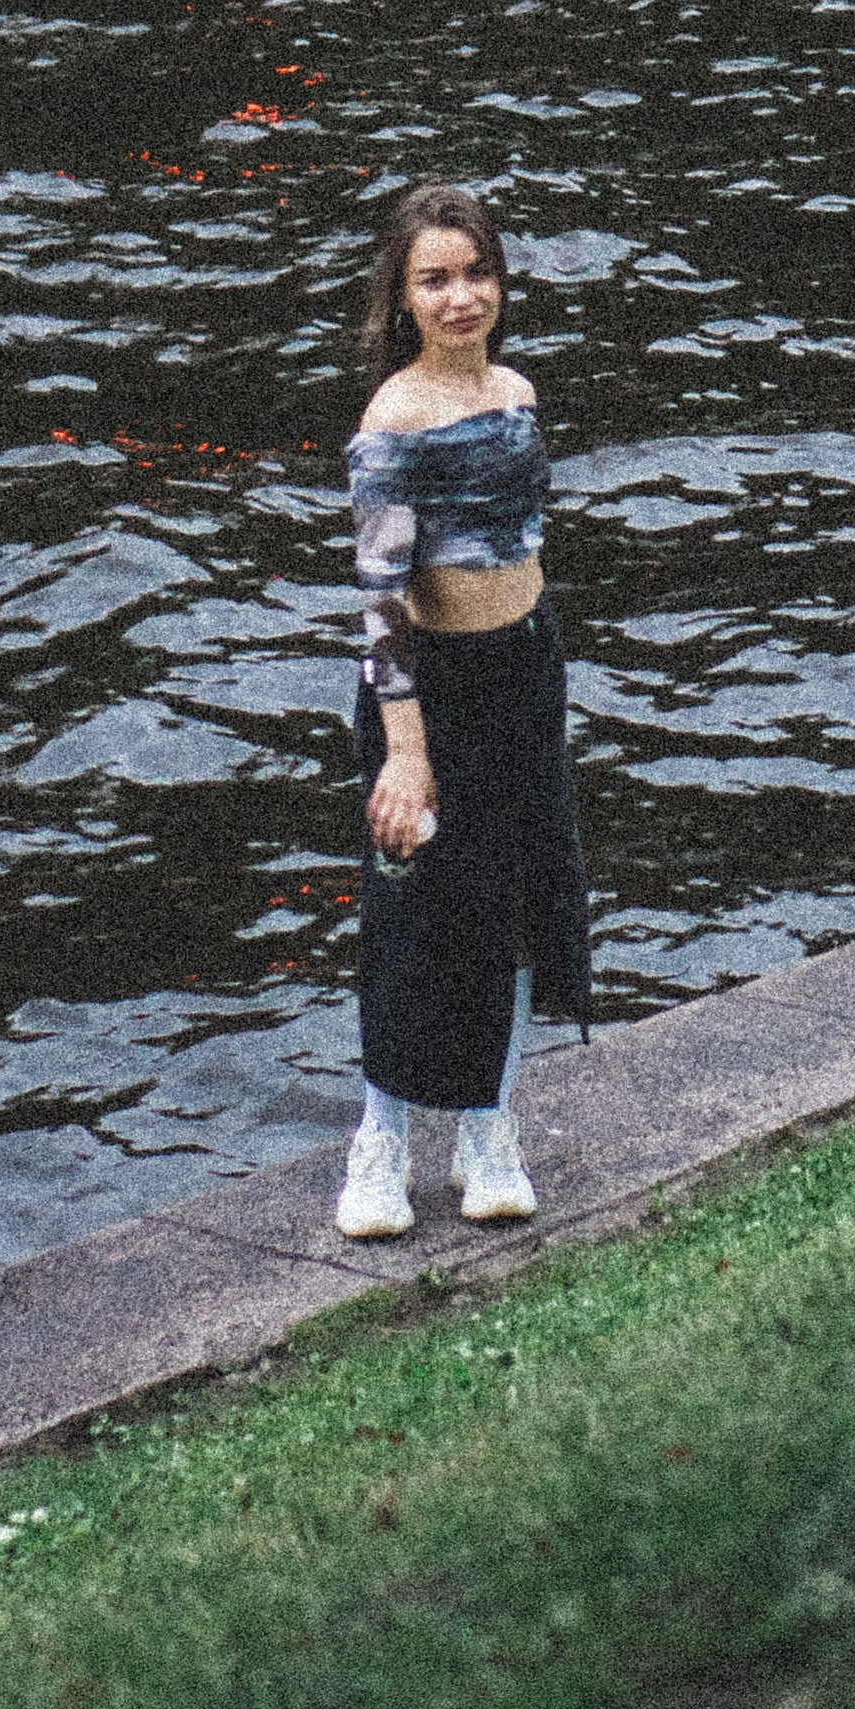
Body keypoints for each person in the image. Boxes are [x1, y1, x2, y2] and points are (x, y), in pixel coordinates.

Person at [338, 180, 591, 1239]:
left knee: (521, 903)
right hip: (427, 696)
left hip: (522, 674)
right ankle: (379, 1143)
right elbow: (381, 601)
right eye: (434, 280)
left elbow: (519, 538)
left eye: (474, 274)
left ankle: (489, 1124)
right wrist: (406, 755)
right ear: (401, 297)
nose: (459, 298)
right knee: (416, 913)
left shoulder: (517, 394)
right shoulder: (394, 420)